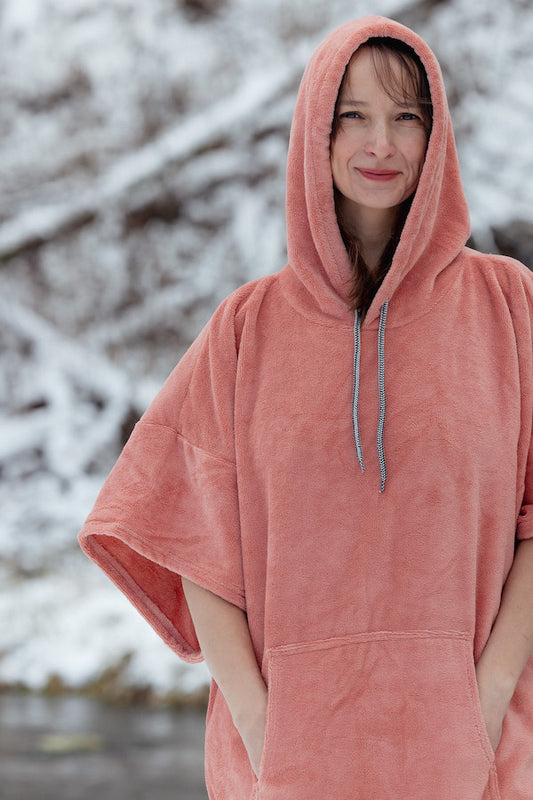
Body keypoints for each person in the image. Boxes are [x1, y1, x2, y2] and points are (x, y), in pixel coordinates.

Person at [78, 15, 533, 799]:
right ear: (312, 134)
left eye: (404, 118)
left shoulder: (508, 307)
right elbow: (191, 536)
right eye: (350, 117)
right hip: (282, 769)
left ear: (437, 136)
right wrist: (262, 726)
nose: (378, 145)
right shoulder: (245, 328)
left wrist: (487, 696)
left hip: (472, 759)